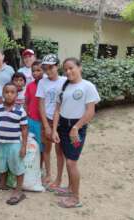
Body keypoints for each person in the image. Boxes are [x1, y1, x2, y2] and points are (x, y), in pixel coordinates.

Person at [52, 57, 100, 208]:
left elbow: (90, 112)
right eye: (65, 69)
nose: (68, 71)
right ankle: (69, 188)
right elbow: (57, 110)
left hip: (76, 129)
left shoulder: (88, 86)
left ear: (80, 67)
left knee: (72, 162)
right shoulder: (63, 86)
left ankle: (75, 198)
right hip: (63, 127)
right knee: (67, 159)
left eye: (71, 68)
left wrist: (76, 127)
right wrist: (54, 129)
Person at [0, 83, 28, 205]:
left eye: (12, 92)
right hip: (0, 143)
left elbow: (24, 129)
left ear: (16, 95)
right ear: (3, 94)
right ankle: (2, 184)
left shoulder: (20, 111)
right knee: (1, 164)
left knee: (17, 166)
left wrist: (24, 146)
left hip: (14, 144)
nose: (9, 94)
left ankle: (19, 190)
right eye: (7, 92)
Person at [36, 54, 67, 190]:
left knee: (59, 151)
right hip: (47, 119)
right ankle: (48, 174)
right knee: (46, 149)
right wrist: (46, 125)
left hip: (62, 120)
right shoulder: (42, 82)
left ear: (57, 66)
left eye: (51, 67)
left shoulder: (66, 81)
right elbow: (41, 105)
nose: (48, 71)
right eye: (45, 68)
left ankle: (58, 178)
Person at [25, 60, 44, 164]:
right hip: (31, 120)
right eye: (33, 71)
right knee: (31, 144)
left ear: (44, 70)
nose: (35, 73)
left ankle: (40, 167)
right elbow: (26, 102)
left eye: (38, 70)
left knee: (42, 146)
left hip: (43, 121)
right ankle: (32, 165)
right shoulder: (30, 86)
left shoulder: (47, 85)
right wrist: (26, 114)